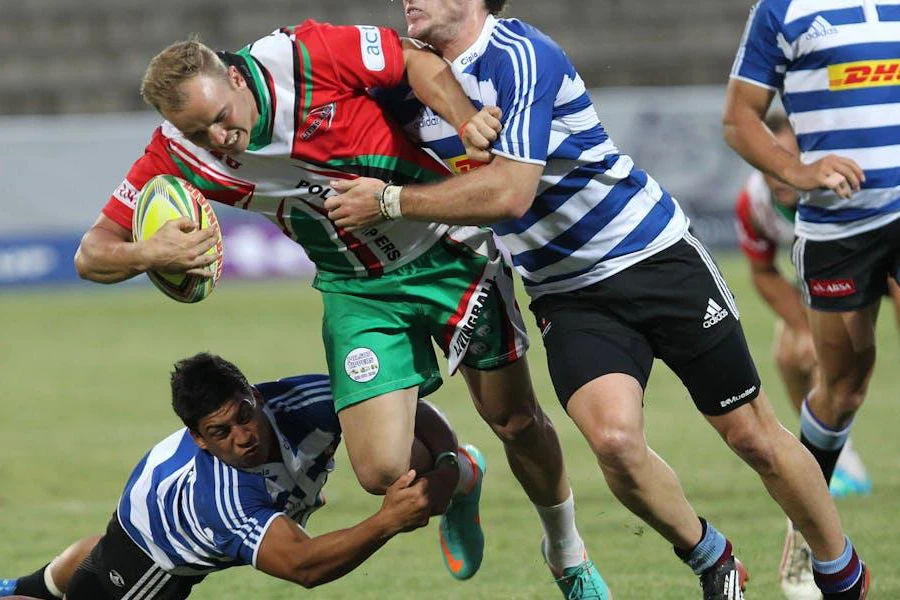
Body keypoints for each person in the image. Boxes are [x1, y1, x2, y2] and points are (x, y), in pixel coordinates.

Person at [324, 1, 869, 598]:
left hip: (653, 257)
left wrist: (392, 201)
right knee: (613, 442)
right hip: (566, 292)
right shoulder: (411, 83)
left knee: (751, 435)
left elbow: (510, 193)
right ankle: (714, 561)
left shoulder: (520, 55)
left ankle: (840, 572)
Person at [72, 22, 605, 597]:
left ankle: (566, 554)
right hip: (356, 289)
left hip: (448, 247)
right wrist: (148, 251)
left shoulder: (299, 54)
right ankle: (461, 474)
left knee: (515, 420)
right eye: (199, 132)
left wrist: (461, 119)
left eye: (222, 116)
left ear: (233, 75)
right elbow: (91, 254)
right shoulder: (174, 153)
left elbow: (409, 57)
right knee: (380, 473)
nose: (220, 139)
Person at [0, 352, 436, 599]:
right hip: (155, 555)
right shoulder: (223, 498)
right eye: (220, 432)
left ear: (255, 396)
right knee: (107, 567)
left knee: (101, 552)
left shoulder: (308, 397)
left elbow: (403, 410)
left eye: (245, 415)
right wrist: (385, 521)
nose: (243, 437)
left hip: (153, 495)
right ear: (200, 440)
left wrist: (451, 461)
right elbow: (304, 566)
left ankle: (19, 586)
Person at [725, 1, 899, 597]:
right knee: (843, 388)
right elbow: (739, 119)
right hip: (838, 234)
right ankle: (809, 531)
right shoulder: (782, 11)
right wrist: (796, 170)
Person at [735, 112, 873, 500]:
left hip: (874, 267)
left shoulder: (847, 180)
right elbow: (762, 272)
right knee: (792, 354)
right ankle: (838, 461)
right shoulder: (754, 203)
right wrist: (801, 326)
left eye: (788, 158)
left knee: (845, 370)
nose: (778, 173)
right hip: (826, 282)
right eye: (769, 161)